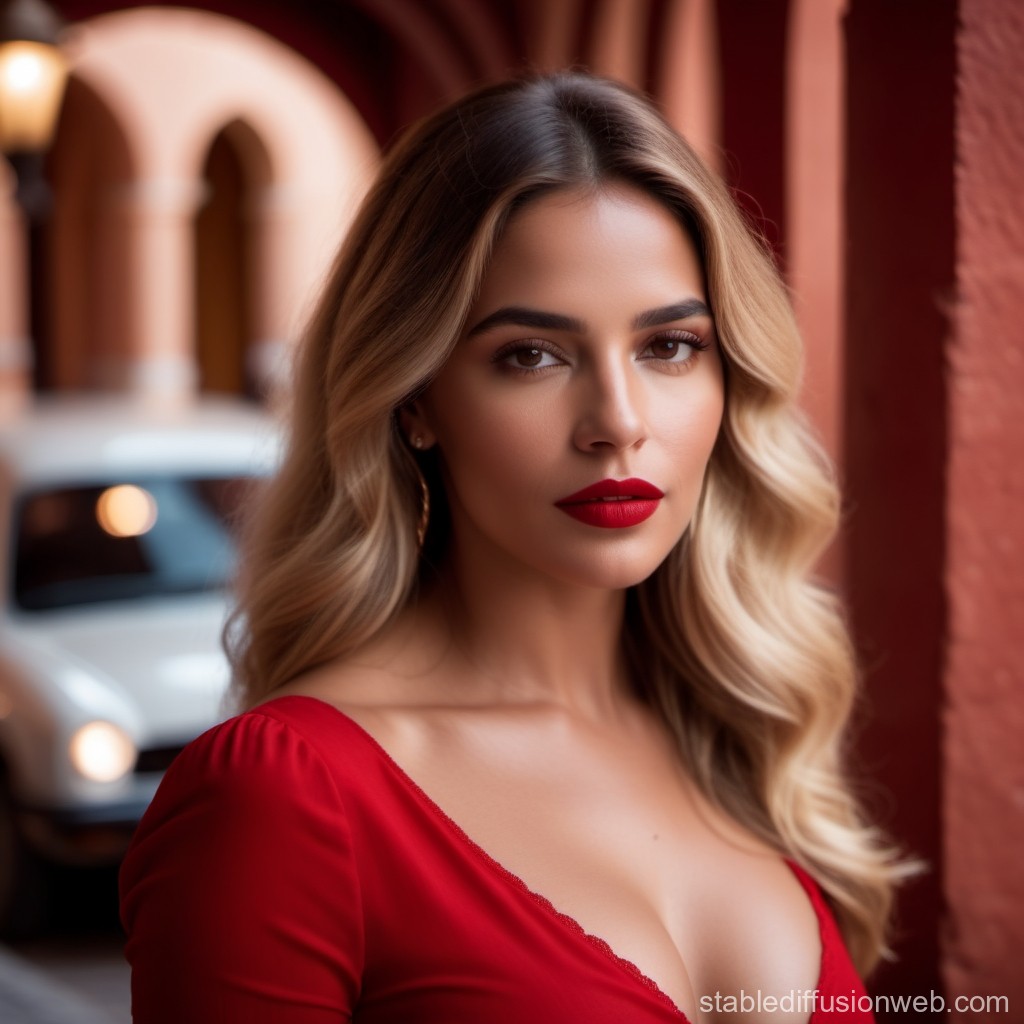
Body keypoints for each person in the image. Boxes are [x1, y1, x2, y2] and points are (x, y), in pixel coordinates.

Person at [120, 72, 905, 1023]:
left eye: (670, 347)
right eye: (531, 355)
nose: (618, 423)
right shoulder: (288, 798)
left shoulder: (739, 733)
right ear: (415, 399)